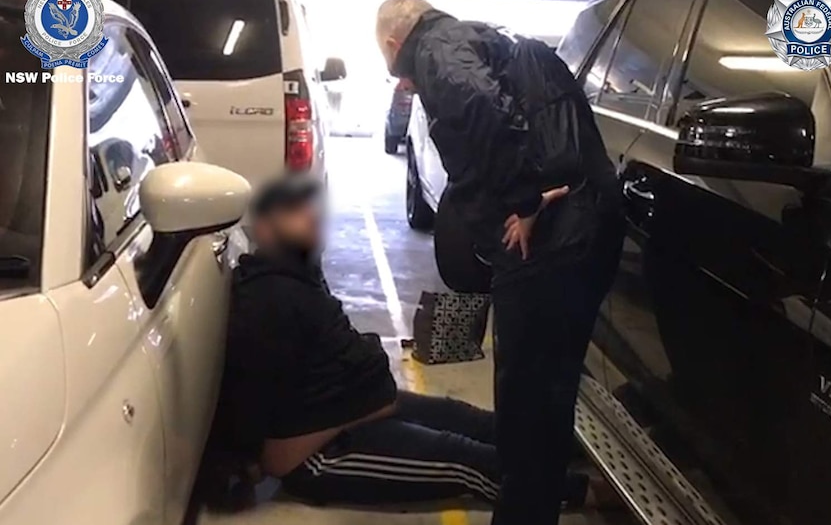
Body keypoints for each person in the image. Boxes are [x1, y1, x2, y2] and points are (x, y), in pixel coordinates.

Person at [210, 177, 612, 510]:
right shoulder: (267, 300)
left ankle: (567, 450)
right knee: (466, 460)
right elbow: (253, 411)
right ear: (265, 229)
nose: (312, 217)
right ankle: (590, 493)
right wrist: (254, 460)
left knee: (474, 420)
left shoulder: (298, 275)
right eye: (296, 213)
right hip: (323, 453)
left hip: (360, 407)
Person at [375, 0, 625, 525]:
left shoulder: (436, 51)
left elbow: (482, 107)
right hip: (586, 233)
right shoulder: (479, 38)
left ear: (394, 44)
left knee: (525, 405)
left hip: (548, 250)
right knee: (549, 398)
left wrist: (524, 202)